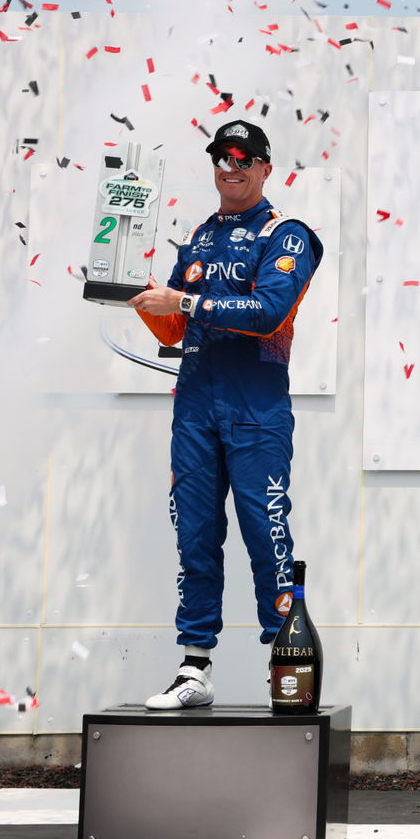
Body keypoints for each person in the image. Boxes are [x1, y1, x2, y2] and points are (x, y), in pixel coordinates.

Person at [128, 119, 324, 709]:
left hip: (255, 408)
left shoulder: (288, 234)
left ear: (266, 167)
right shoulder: (201, 236)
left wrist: (184, 300)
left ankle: (288, 664)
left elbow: (267, 313)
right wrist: (136, 296)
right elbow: (175, 327)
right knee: (195, 538)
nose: (229, 166)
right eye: (220, 156)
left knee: (267, 536)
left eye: (243, 157)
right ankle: (195, 667)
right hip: (193, 409)